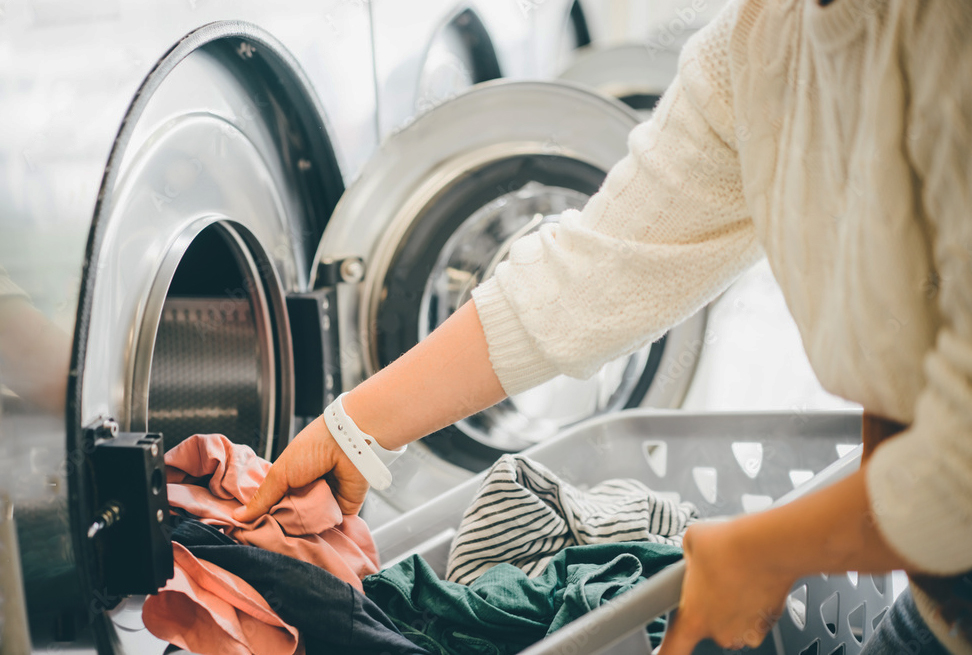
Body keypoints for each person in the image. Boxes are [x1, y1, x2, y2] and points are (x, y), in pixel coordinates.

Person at [235, 0, 972, 652]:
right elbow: (600, 269)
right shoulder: (770, 38)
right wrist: (355, 425)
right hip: (941, 598)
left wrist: (765, 550)